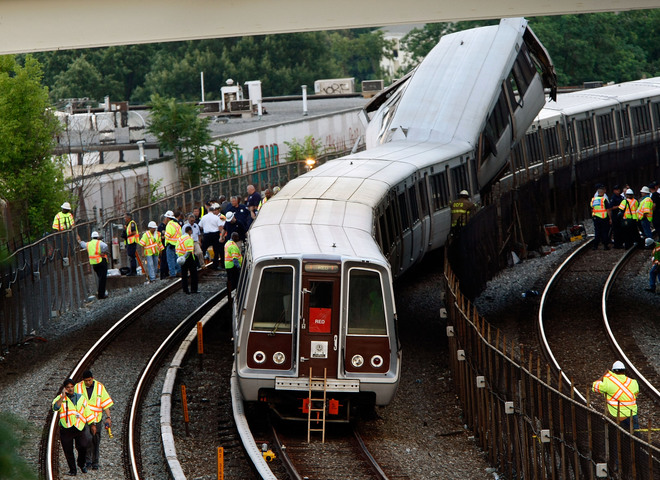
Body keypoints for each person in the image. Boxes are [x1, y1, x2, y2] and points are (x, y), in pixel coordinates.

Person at [52, 378, 96, 476]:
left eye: (72, 387)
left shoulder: (81, 398)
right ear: (65, 388)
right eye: (68, 387)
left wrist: (92, 424)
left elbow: (87, 411)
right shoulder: (60, 398)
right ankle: (73, 470)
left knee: (83, 446)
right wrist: (63, 396)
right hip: (66, 428)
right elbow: (55, 408)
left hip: (79, 426)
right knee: (68, 450)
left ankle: (81, 464)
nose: (70, 389)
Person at [75, 370, 113, 471]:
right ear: (83, 380)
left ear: (92, 378)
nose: (88, 382)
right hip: (85, 419)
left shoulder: (100, 387)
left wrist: (108, 417)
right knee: (87, 440)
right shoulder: (78, 387)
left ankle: (95, 462)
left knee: (96, 440)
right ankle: (88, 461)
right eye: (86, 381)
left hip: (97, 419)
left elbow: (105, 404)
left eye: (90, 380)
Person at [592, 361, 639, 432]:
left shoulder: (608, 381)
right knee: (635, 436)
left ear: (613, 371)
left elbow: (595, 387)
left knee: (619, 438)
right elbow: (636, 395)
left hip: (616, 415)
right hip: (632, 414)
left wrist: (604, 375)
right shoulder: (633, 382)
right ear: (624, 370)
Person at [78, 231, 109, 299]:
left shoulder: (88, 244)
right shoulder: (99, 242)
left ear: (92, 237)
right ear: (97, 237)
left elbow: (82, 244)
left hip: (94, 264)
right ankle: (101, 295)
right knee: (102, 279)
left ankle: (101, 293)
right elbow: (106, 246)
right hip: (101, 262)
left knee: (100, 278)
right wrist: (102, 252)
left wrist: (79, 240)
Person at [199, 204, 224, 270]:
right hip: (215, 234)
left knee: (203, 249)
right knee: (216, 250)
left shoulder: (204, 217)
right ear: (213, 211)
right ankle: (215, 266)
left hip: (206, 235)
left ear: (208, 211)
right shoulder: (216, 217)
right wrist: (222, 236)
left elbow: (200, 226)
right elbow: (220, 227)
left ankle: (199, 264)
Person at [176, 225, 198, 294]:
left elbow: (176, 248)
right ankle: (193, 289)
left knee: (184, 275)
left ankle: (185, 290)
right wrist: (184, 257)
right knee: (193, 274)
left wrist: (180, 257)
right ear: (189, 231)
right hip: (188, 258)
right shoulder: (189, 239)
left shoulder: (180, 238)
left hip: (181, 258)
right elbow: (189, 251)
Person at [590, 184, 611, 250]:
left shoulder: (593, 200)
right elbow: (608, 210)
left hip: (596, 218)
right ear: (602, 193)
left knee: (597, 232)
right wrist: (610, 218)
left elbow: (591, 209)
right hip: (603, 218)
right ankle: (605, 246)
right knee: (604, 232)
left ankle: (595, 246)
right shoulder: (604, 200)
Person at [164, 210, 182, 277]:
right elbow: (180, 234)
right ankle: (179, 272)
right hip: (177, 245)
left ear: (168, 218)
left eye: (166, 217)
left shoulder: (169, 225)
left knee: (170, 260)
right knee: (177, 259)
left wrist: (164, 234)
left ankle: (172, 274)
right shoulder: (177, 224)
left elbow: (168, 235)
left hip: (170, 245)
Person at [157, 215, 170, 279]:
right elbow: (161, 236)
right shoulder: (161, 227)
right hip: (162, 245)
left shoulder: (167, 226)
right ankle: (162, 274)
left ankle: (167, 272)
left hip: (166, 244)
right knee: (163, 260)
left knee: (167, 259)